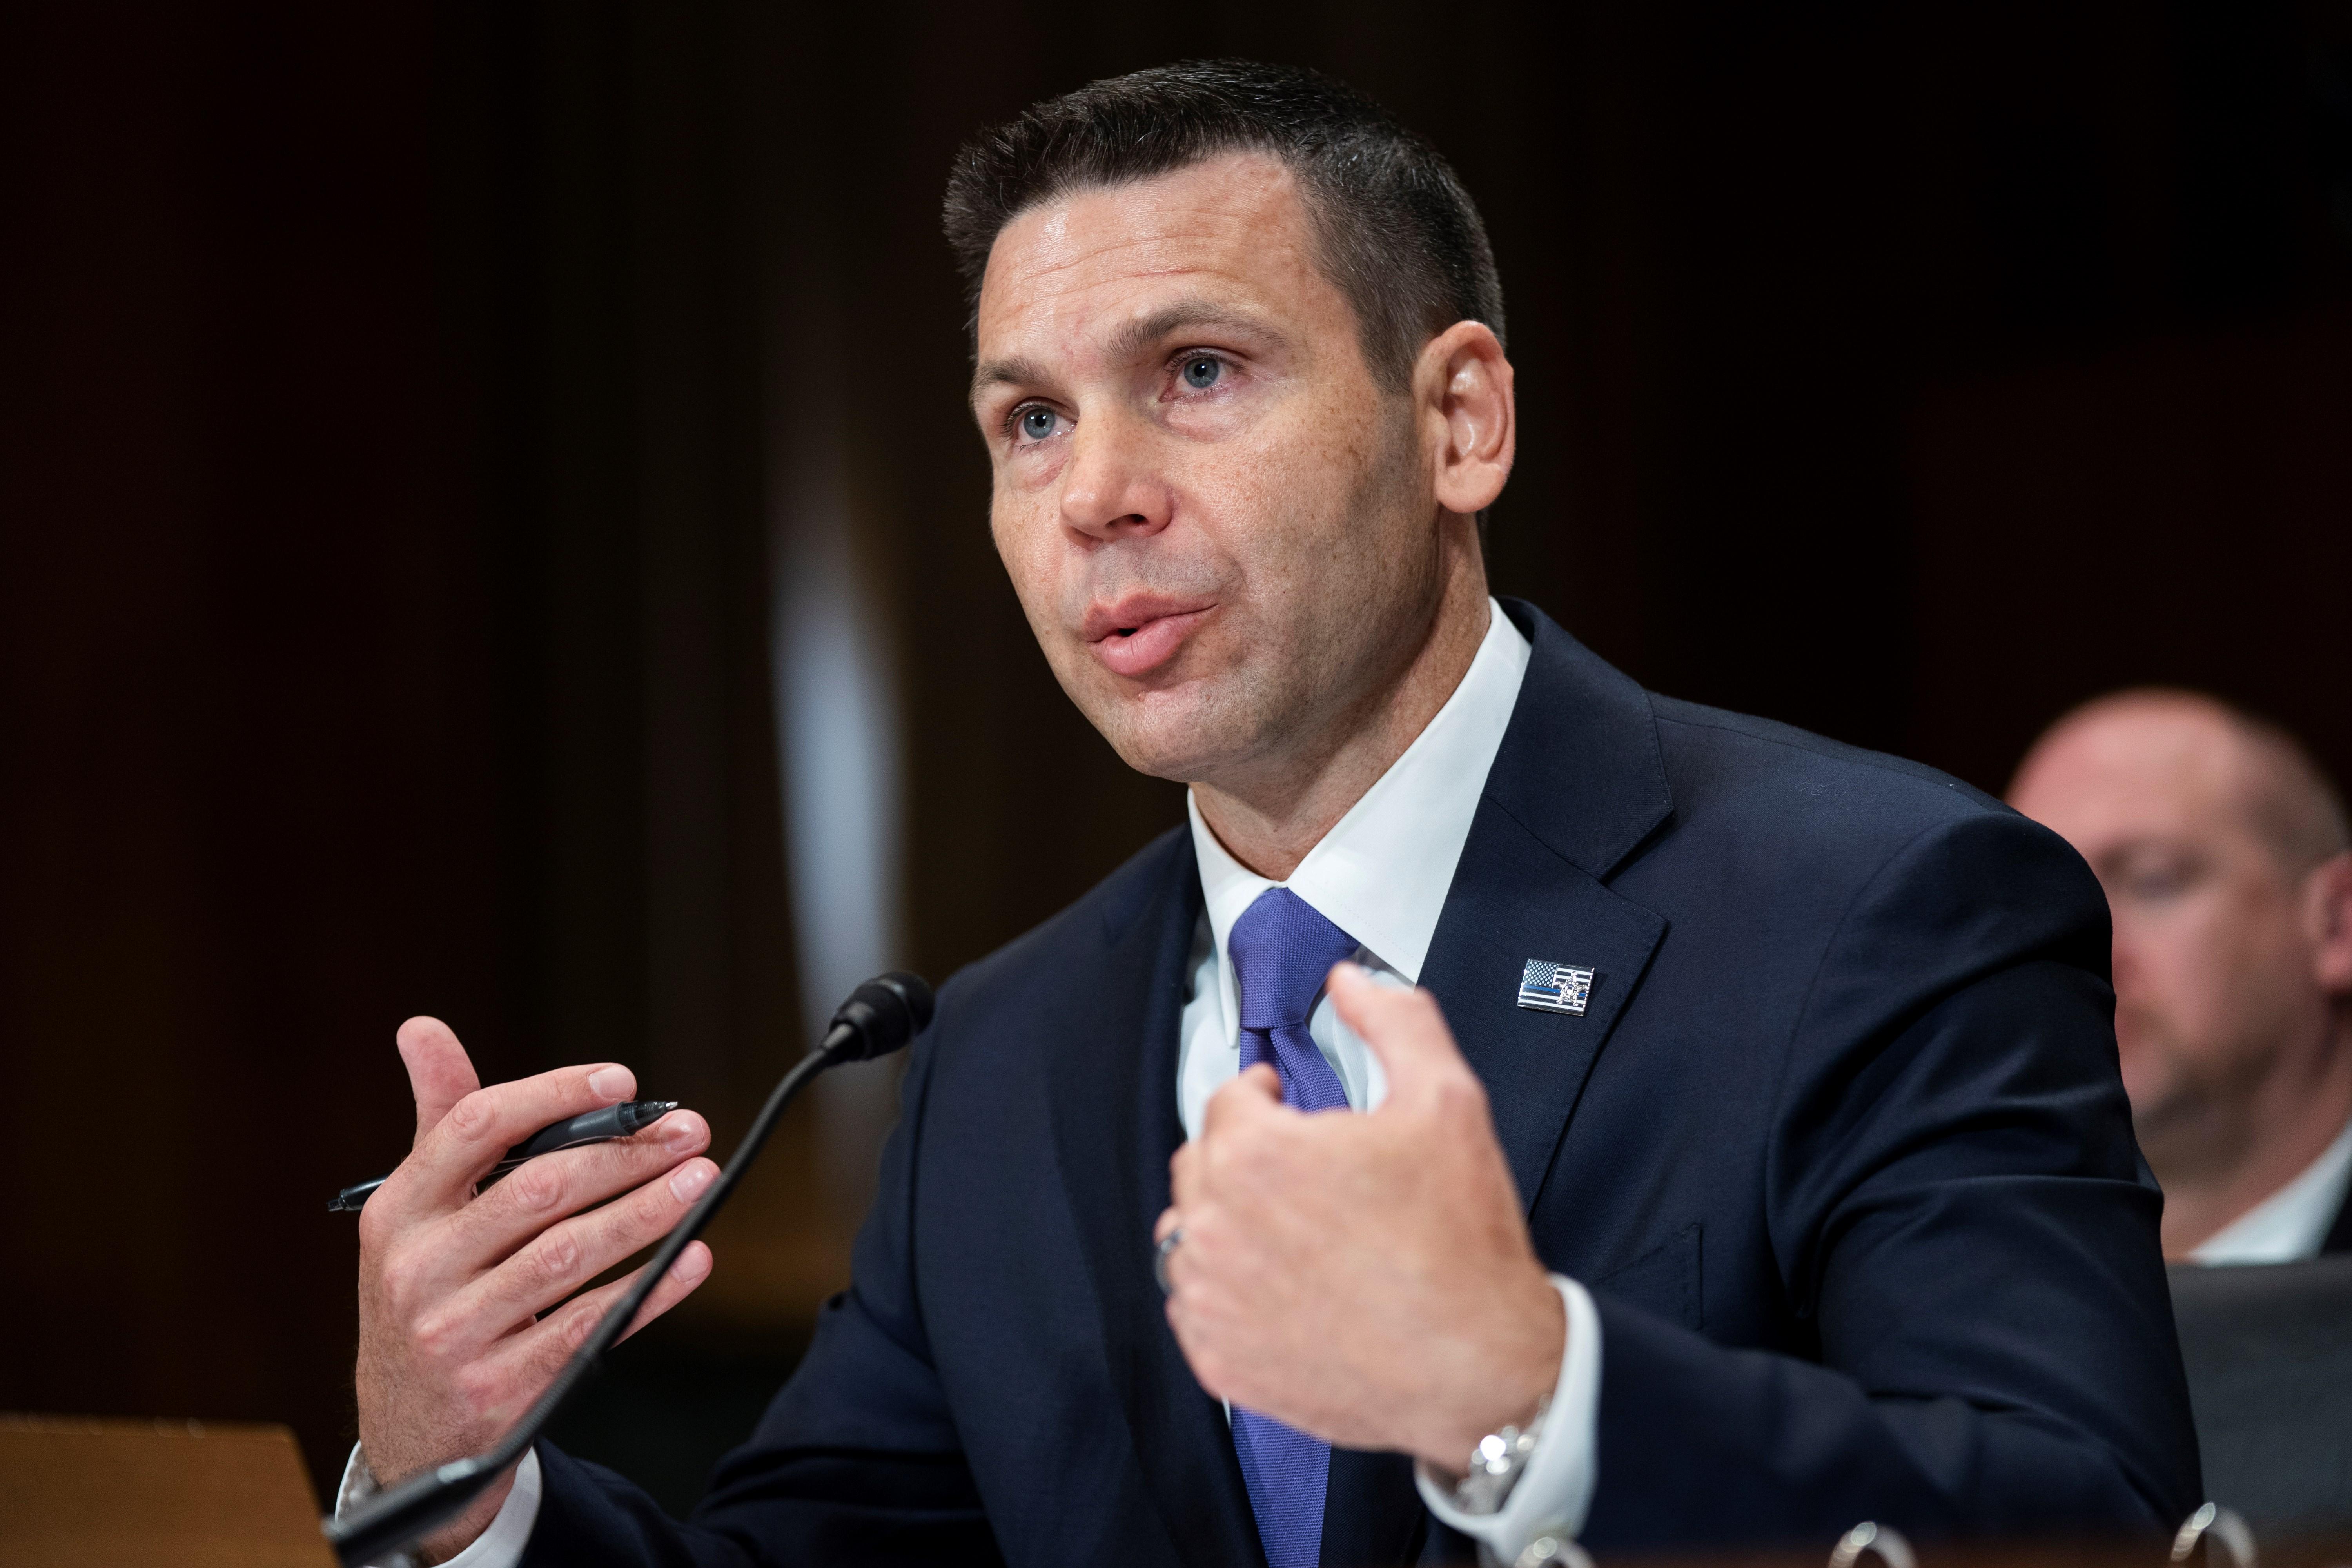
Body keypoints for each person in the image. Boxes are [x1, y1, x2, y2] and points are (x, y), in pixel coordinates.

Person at [340, 62, 2199, 1568]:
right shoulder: (998, 1049)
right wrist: (455, 1486)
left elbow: (2093, 1525)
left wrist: (1535, 1395)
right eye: (1029, 423)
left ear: (1456, 418)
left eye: (1197, 374)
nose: (1095, 496)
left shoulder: (1873, 900)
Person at [2009, 690, 2352, 1263]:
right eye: (2033, 901)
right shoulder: (1931, 1284)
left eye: (2153, 881)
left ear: (2336, 923)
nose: (2070, 946)